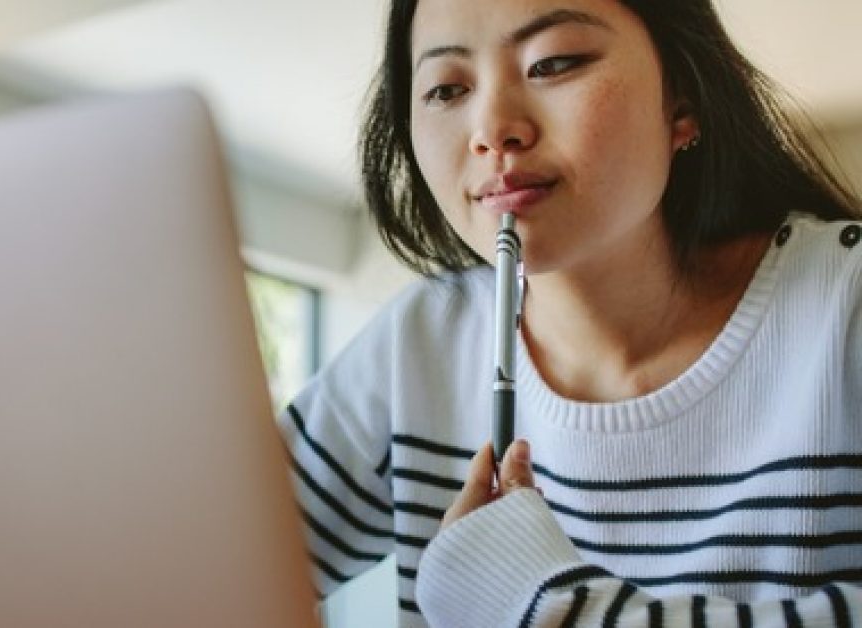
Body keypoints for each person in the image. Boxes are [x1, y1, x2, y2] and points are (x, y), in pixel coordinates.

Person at [278, 0, 862, 626]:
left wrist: (552, 611)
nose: (493, 129)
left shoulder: (846, 304)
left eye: (554, 62)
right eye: (447, 89)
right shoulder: (418, 340)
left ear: (684, 100)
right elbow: (194, 569)